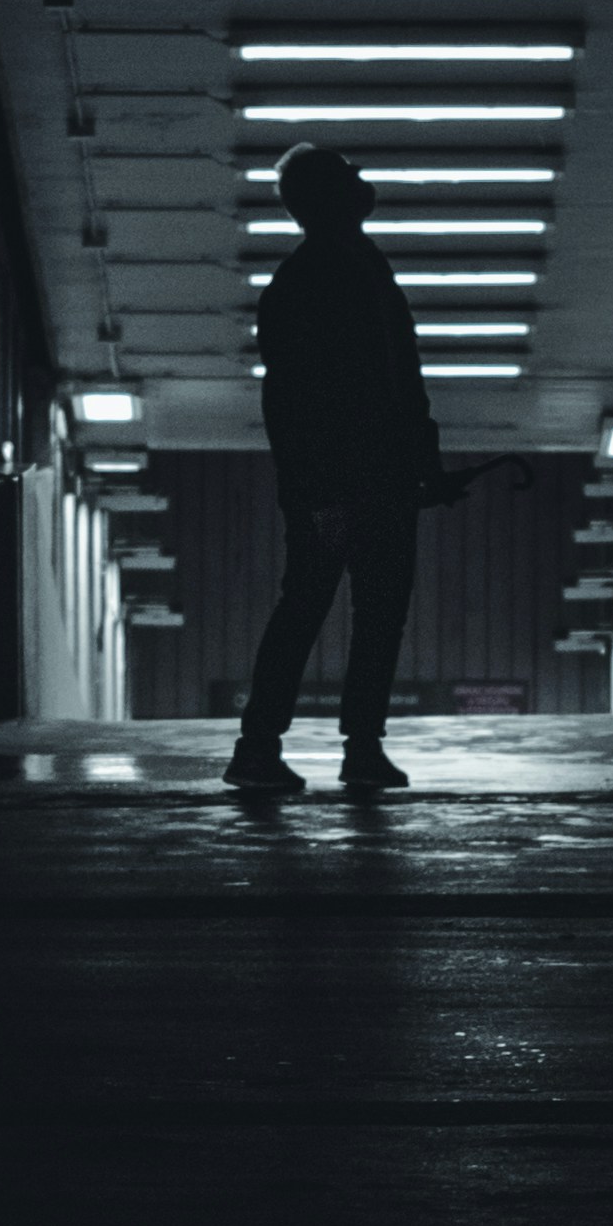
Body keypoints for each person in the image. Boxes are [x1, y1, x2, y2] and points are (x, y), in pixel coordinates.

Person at [227, 143, 447, 796]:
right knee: (356, 606)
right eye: (347, 172)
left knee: (327, 603)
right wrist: (413, 462)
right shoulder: (350, 274)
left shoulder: (320, 276)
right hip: (354, 484)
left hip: (340, 485)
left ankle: (275, 745)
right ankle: (335, 746)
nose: (362, 177)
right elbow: (388, 384)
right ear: (328, 196)